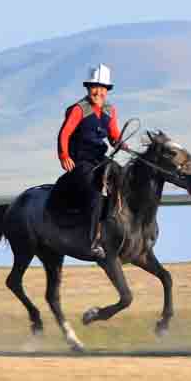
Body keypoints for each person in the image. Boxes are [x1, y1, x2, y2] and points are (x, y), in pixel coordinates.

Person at [57, 65, 126, 258]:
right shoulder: (79, 110)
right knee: (95, 195)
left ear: (107, 91)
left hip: (99, 158)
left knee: (123, 176)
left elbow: (114, 137)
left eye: (102, 88)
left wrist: (120, 143)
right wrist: (64, 156)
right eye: (95, 87)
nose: (98, 91)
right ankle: (92, 241)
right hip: (81, 160)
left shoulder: (110, 111)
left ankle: (119, 226)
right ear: (88, 89)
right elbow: (64, 134)